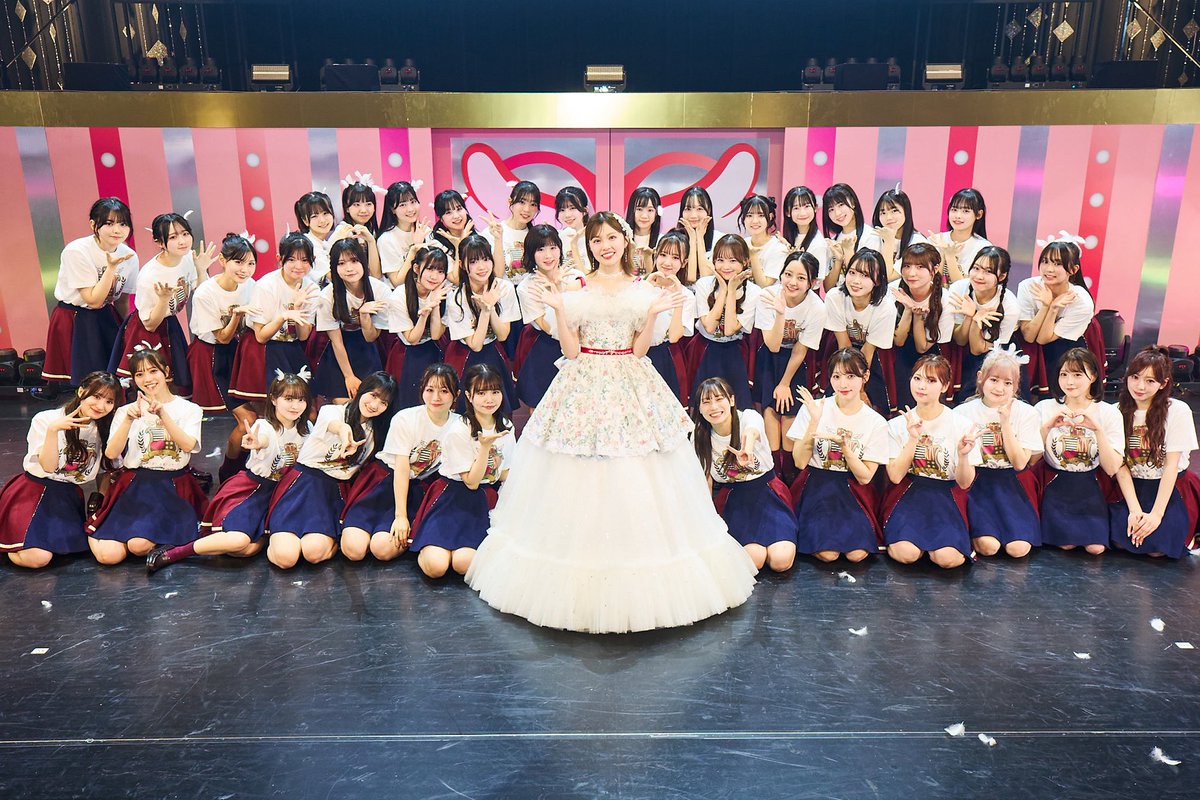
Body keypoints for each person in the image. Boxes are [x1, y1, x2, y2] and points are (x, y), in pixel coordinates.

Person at [465, 211, 757, 634]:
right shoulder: (576, 286)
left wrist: (653, 313)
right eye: (597, 240)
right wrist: (559, 310)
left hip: (630, 379)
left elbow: (640, 351)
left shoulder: (642, 289)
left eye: (612, 238)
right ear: (589, 245)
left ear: (625, 241)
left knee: (638, 466)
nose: (605, 246)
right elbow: (570, 349)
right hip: (583, 379)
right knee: (576, 467)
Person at [146, 372, 312, 572]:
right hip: (254, 491)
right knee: (239, 541)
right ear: (274, 399)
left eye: (301, 400)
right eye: (289, 399)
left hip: (284, 495)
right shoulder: (263, 426)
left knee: (248, 550)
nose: (295, 406)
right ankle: (173, 553)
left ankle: (258, 535)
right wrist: (257, 442)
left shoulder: (306, 429)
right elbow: (263, 439)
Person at [265, 371, 396, 568]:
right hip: (301, 485)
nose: (375, 405)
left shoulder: (375, 432)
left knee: (313, 553)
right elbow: (336, 426)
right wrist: (345, 433)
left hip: (333, 493)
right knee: (286, 558)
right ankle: (265, 539)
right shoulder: (332, 411)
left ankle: (334, 541)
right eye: (373, 395)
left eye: (383, 402)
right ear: (361, 390)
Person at [88, 349, 206, 564]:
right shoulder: (126, 411)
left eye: (153, 371)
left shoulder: (190, 409)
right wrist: (127, 420)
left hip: (172, 485)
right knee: (108, 557)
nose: (147, 379)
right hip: (135, 485)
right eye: (140, 374)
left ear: (166, 372)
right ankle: (91, 523)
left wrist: (163, 414)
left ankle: (161, 538)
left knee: (138, 545)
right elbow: (111, 453)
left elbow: (188, 445)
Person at [342, 365, 461, 562]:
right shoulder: (406, 418)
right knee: (353, 550)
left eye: (444, 391)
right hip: (383, 482)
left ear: (456, 394)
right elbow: (401, 469)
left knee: (382, 550)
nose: (436, 397)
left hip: (413, 488)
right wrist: (400, 517)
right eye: (430, 390)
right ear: (422, 390)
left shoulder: (460, 425)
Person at [0, 372, 120, 568]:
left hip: (67, 497)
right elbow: (48, 467)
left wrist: (99, 504)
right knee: (37, 559)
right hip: (32, 493)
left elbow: (107, 471)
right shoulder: (46, 419)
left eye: (109, 401)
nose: (101, 406)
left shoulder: (104, 429)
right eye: (96, 396)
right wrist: (53, 431)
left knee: (57, 554)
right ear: (81, 391)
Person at [409, 364, 514, 578]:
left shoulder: (506, 426)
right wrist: (484, 448)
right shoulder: (459, 429)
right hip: (452, 497)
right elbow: (471, 482)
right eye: (481, 393)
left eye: (495, 392)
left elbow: (504, 473)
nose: (489, 399)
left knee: (463, 564)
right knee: (436, 567)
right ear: (468, 395)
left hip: (483, 500)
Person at [788, 349, 887, 562]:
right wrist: (814, 421)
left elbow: (865, 477)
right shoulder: (814, 408)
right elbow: (799, 462)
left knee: (857, 555)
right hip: (816, 485)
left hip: (854, 489)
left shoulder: (876, 422)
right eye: (836, 376)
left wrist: (845, 448)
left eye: (850, 376)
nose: (843, 384)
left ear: (865, 377)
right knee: (828, 554)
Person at [882, 354, 980, 569]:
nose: (921, 386)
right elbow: (895, 476)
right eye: (917, 378)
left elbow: (964, 483)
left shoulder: (962, 424)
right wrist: (912, 439)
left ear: (945, 386)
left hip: (946, 497)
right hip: (908, 494)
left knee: (947, 559)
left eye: (931, 380)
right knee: (906, 554)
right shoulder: (896, 425)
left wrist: (963, 455)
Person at [692, 377, 797, 573]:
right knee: (755, 561)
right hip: (735, 501)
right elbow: (706, 479)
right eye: (706, 402)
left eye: (719, 399)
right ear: (699, 408)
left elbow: (752, 431)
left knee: (781, 561)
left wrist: (747, 449)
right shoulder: (699, 435)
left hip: (768, 494)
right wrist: (708, 518)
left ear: (731, 400)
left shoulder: (749, 417)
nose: (714, 407)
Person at [110, 212, 216, 395]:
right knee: (153, 385)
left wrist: (200, 270)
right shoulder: (149, 275)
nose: (182, 241)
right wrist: (163, 300)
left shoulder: (189, 258)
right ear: (159, 242)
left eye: (185, 234)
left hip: (169, 324)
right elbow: (150, 324)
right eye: (173, 237)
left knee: (177, 387)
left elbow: (202, 296)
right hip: (146, 329)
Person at [1110, 347, 1200, 558]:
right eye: (1135, 377)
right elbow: (1120, 465)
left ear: (1163, 383)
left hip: (1171, 486)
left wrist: (1156, 515)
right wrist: (1135, 510)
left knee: (1158, 550)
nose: (1140, 386)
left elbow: (1171, 466)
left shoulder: (1177, 410)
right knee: (1120, 542)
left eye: (1150, 381)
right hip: (1130, 487)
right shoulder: (1115, 411)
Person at [955, 345, 1043, 558]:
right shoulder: (962, 413)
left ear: (1016, 386)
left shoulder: (1027, 413)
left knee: (1018, 549)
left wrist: (1005, 423)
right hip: (978, 483)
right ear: (980, 378)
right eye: (994, 380)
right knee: (988, 547)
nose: (999, 388)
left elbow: (1020, 463)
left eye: (1008, 383)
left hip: (1014, 483)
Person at [1035, 348, 1124, 554]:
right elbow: (1031, 460)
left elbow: (1112, 468)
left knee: (1096, 548)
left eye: (1077, 374)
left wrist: (1098, 431)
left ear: (1093, 376)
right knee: (1065, 544)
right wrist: (1047, 427)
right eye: (1064, 374)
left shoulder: (1109, 413)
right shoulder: (1043, 408)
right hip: (1055, 483)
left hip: (1091, 485)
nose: (1069, 382)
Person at [43, 198, 138, 387]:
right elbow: (92, 300)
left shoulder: (129, 255)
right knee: (88, 382)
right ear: (93, 224)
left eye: (123, 224)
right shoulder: (77, 251)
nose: (117, 230)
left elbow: (122, 300)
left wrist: (123, 331)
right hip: (75, 316)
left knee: (114, 378)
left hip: (105, 314)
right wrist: (111, 269)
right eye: (109, 223)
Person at [754, 251, 825, 480]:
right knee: (770, 411)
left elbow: (800, 350)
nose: (792, 282)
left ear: (812, 283)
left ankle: (792, 479)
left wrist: (785, 384)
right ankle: (773, 477)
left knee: (790, 419)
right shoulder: (767, 296)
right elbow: (773, 345)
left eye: (801, 278)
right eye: (788, 274)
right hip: (769, 357)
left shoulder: (817, 307)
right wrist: (780, 314)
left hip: (797, 362)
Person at [187, 233, 258, 415]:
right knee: (238, 417)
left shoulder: (251, 285)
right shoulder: (205, 293)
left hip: (238, 352)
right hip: (210, 355)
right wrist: (236, 314)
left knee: (255, 414)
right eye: (238, 262)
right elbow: (222, 338)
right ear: (222, 260)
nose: (245, 269)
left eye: (251, 263)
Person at [929, 188, 991, 283]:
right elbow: (931, 284)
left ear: (979, 214)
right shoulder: (935, 240)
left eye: (965, 211)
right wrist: (941, 253)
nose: (958, 216)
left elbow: (963, 288)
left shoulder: (983, 248)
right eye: (954, 209)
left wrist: (950, 256)